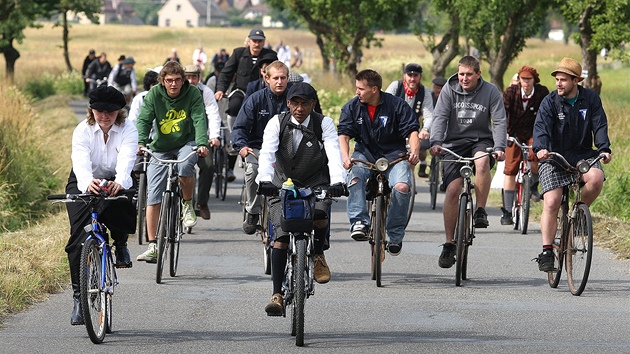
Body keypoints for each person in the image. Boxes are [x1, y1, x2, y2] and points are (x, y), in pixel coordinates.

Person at [256, 82, 346, 315]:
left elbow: (333, 151)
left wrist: (338, 181)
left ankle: (317, 254)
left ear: (312, 104)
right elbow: (267, 152)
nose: (299, 108)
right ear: (288, 103)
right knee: (281, 237)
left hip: (316, 181)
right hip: (281, 184)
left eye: (304, 103)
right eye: (294, 103)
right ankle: (276, 294)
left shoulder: (323, 123)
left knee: (320, 214)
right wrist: (264, 180)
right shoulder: (277, 122)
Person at [64, 85, 137, 325]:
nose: (105, 116)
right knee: (77, 240)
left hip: (117, 177)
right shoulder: (82, 131)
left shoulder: (128, 129)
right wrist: (88, 183)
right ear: (91, 110)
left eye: (111, 111)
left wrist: (121, 182)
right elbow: (80, 162)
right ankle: (78, 298)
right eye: (99, 111)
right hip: (85, 179)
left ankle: (121, 241)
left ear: (119, 112)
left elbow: (127, 160)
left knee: (122, 202)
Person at [532, 57, 612, 272]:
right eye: (557, 79)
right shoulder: (549, 102)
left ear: (576, 80)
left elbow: (600, 124)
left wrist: (604, 148)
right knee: (552, 201)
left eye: (563, 80)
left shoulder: (591, 100)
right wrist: (541, 148)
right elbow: (541, 128)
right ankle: (547, 250)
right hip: (553, 156)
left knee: (595, 179)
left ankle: (575, 219)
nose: (558, 83)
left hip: (582, 155)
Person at [430, 55, 506, 269]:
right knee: (453, 190)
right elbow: (440, 117)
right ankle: (448, 243)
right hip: (453, 143)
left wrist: (499, 147)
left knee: (482, 163)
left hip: (481, 141)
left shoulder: (490, 91)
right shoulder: (448, 89)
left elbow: (499, 121)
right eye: (461, 74)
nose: (464, 78)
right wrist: (436, 142)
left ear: (478, 74)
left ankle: (480, 210)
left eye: (469, 74)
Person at [338, 69, 420, 256]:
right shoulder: (351, 107)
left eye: (361, 89)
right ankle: (359, 222)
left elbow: (412, 131)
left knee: (402, 187)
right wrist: (345, 156)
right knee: (355, 177)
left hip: (394, 156)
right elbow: (343, 134)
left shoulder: (397, 105)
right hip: (364, 155)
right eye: (356, 88)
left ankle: (395, 234)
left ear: (374, 89)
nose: (357, 92)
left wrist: (414, 152)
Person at [135, 61, 210, 262]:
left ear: (183, 80)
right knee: (153, 193)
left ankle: (187, 204)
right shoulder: (154, 94)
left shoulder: (192, 93)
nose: (174, 84)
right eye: (169, 80)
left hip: (187, 141)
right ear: (162, 81)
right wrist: (141, 142)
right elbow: (143, 119)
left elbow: (199, 118)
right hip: (161, 146)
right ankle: (152, 245)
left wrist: (202, 143)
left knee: (186, 166)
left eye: (177, 80)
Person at [231, 60, 290, 235]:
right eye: (276, 78)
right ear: (266, 79)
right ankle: (253, 211)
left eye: (283, 78)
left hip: (287, 149)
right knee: (253, 171)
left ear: (288, 79)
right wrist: (242, 146)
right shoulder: (255, 99)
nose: (279, 82)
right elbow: (240, 127)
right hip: (257, 148)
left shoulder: (295, 100)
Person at [500, 65, 550, 225]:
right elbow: (503, 112)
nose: (526, 82)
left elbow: (547, 114)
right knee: (511, 168)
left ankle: (533, 184)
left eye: (529, 79)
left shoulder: (542, 92)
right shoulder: (510, 92)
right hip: (513, 132)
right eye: (523, 79)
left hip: (534, 132)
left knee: (536, 154)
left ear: (534, 80)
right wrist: (505, 132)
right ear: (519, 79)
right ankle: (507, 211)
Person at [184, 64, 221, 220]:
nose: (191, 80)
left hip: (201, 138)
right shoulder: (177, 90)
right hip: (180, 138)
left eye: (194, 77)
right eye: (188, 77)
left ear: (199, 78)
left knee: (208, 165)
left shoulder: (205, 92)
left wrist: (214, 136)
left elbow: (213, 113)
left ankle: (202, 202)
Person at [385, 63, 434, 178]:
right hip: (393, 128)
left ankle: (408, 182)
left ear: (420, 77)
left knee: (411, 157)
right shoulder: (395, 87)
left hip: (413, 131)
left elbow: (429, 115)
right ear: (404, 76)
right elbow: (384, 106)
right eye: (409, 75)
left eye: (415, 75)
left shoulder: (424, 92)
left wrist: (425, 129)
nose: (412, 79)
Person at [214, 28, 276, 118]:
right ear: (249, 41)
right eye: (254, 41)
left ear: (264, 42)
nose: (257, 44)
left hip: (263, 92)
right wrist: (220, 89)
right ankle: (234, 131)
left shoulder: (270, 56)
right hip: (241, 92)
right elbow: (226, 73)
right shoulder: (238, 54)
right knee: (234, 107)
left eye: (260, 41)